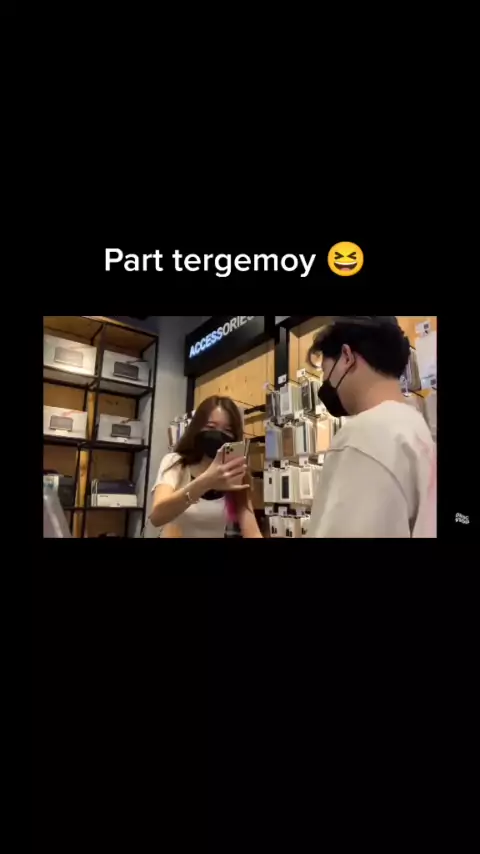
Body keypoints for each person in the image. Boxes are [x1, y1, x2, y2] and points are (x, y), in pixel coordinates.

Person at [304, 315, 437, 538]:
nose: (328, 385)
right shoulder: (416, 429)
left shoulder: (362, 437)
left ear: (347, 356)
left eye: (326, 374)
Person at [150, 396, 260, 539]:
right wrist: (206, 481)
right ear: (197, 428)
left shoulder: (233, 472)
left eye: (227, 430)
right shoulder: (175, 463)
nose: (218, 435)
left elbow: (252, 531)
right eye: (211, 427)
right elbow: (157, 517)